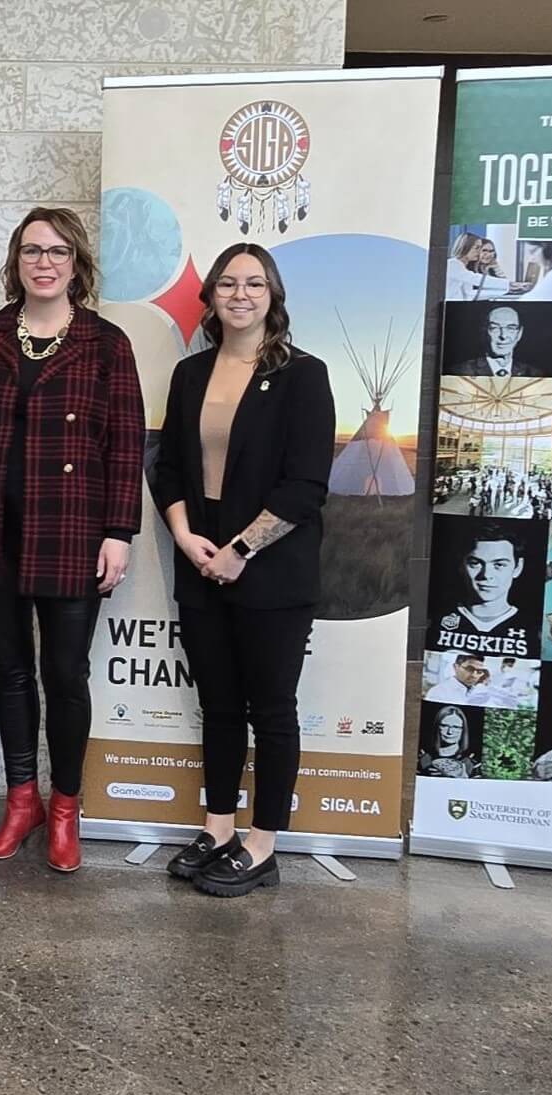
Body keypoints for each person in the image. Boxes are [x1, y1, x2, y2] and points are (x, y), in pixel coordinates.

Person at [0, 207, 143, 872]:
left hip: (72, 534)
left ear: (75, 263)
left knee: (65, 676)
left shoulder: (106, 344)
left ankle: (63, 811)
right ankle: (19, 802)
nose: (43, 262)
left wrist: (118, 532)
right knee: (11, 675)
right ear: (15, 261)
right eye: (30, 251)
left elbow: (126, 444)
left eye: (56, 251)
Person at [152, 243, 335, 898]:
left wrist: (240, 550)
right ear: (211, 299)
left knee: (271, 710)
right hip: (201, 569)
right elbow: (168, 466)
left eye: (254, 283)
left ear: (272, 296)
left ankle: (261, 844)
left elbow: (304, 484)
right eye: (226, 283)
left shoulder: (302, 376)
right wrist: (184, 535)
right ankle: (218, 828)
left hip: (272, 575)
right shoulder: (190, 375)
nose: (239, 293)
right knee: (219, 707)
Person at [428, 521, 537, 658]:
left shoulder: (535, 631)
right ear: (461, 565)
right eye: (475, 563)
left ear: (517, 567)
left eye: (499, 565)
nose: (486, 575)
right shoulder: (434, 621)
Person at [446, 305, 541, 377]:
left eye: (511, 328)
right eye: (495, 328)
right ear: (484, 331)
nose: (503, 336)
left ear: (519, 333)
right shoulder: (461, 372)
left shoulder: (534, 374)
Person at [445, 233, 525, 301]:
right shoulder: (453, 264)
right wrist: (509, 284)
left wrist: (507, 291)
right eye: (477, 248)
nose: (479, 252)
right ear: (465, 247)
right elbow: (475, 279)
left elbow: (469, 294)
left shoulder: (462, 267)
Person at [418, 705, 479, 778]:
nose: (450, 732)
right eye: (444, 726)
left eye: (456, 727)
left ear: (463, 730)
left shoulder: (472, 764)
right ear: (437, 727)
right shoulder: (422, 759)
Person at [425, 654, 490, 705]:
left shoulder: (480, 692)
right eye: (469, 669)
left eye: (479, 672)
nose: (474, 675)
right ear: (456, 667)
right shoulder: (439, 692)